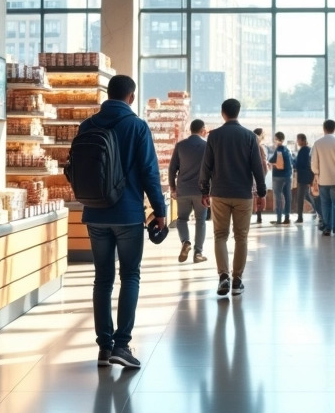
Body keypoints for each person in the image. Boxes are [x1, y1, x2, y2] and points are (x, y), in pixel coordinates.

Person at [79, 75, 166, 370]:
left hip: (94, 213)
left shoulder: (87, 125)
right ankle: (122, 345)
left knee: (102, 279)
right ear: (131, 96)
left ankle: (104, 348)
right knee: (130, 275)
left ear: (108, 93)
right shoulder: (137, 126)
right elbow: (149, 172)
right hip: (128, 213)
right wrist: (160, 209)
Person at [201, 99, 267, 297]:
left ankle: (223, 277)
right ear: (239, 112)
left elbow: (206, 166)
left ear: (223, 113)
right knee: (241, 237)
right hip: (243, 194)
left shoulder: (215, 136)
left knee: (220, 235)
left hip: (219, 193)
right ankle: (237, 280)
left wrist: (204, 190)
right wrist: (261, 193)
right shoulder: (249, 137)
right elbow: (257, 168)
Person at [169, 119, 209, 264]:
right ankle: (198, 253)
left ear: (190, 130)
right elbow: (212, 169)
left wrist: (173, 188)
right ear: (202, 130)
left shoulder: (180, 145)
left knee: (182, 219)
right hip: (201, 191)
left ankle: (186, 241)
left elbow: (172, 169)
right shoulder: (206, 146)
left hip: (183, 190)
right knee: (200, 221)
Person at [311, 119, 335, 236]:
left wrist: (316, 173)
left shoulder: (318, 143)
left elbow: (314, 162)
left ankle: (327, 227)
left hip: (323, 179)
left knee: (325, 204)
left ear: (324, 128)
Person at [269, 132, 293, 226]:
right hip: (287, 176)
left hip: (278, 176)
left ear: (277, 139)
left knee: (278, 197)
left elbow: (273, 162)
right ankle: (287, 217)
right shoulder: (287, 149)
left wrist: (271, 163)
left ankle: (279, 219)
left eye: (275, 139)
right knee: (287, 197)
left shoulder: (278, 149)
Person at [292, 133, 314, 224]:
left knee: (300, 197)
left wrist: (293, 160)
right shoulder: (309, 149)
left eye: (298, 140)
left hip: (302, 176)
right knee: (307, 195)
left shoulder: (302, 151)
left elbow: (299, 164)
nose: (297, 142)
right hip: (309, 175)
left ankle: (300, 217)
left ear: (302, 140)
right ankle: (316, 209)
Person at [252, 127, 270, 225]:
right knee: (260, 195)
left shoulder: (250, 146)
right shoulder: (260, 147)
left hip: (252, 174)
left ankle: (257, 215)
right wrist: (265, 172)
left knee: (256, 196)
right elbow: (263, 162)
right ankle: (259, 216)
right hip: (260, 174)